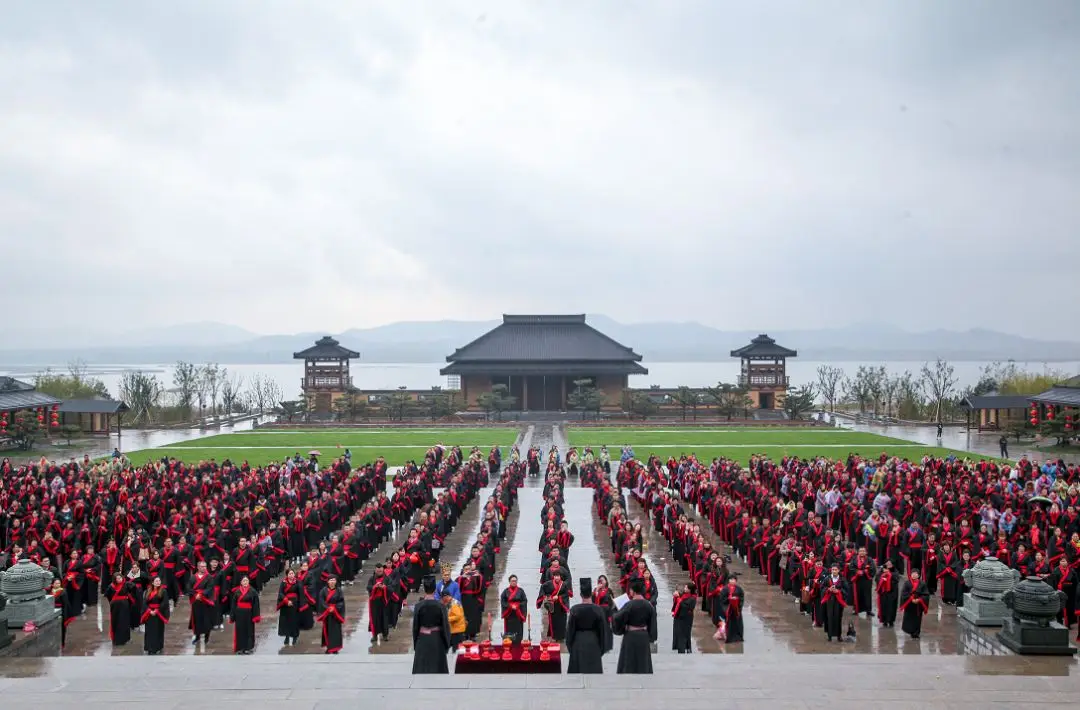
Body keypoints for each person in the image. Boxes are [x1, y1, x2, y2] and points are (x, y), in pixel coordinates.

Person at [566, 578, 611, 673]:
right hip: (593, 643)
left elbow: (569, 631)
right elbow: (603, 631)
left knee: (577, 673)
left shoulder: (575, 609)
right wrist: (601, 649)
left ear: (581, 595)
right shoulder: (598, 610)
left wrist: (571, 648)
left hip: (578, 643)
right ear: (591, 594)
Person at [612, 578, 657, 674]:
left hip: (630, 637)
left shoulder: (629, 605)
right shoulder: (649, 605)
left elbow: (617, 618)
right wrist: (650, 636)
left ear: (633, 591)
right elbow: (652, 624)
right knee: (643, 663)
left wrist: (614, 610)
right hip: (644, 637)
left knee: (629, 663)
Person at [412, 575, 451, 674]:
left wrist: (416, 643)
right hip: (437, 639)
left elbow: (415, 627)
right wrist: (446, 643)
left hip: (422, 639)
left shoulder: (418, 606)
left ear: (424, 589)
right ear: (435, 589)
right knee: (437, 668)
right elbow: (445, 626)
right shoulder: (441, 606)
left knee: (422, 668)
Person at [537, 569, 572, 641]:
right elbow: (543, 588)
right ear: (553, 576)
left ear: (560, 577)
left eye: (558, 576)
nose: (557, 577)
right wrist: (548, 597)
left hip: (561, 607)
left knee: (562, 622)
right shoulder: (548, 584)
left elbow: (566, 594)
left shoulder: (564, 585)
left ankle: (561, 637)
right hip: (552, 606)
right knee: (553, 621)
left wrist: (559, 597)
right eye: (555, 576)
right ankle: (554, 636)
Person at [231, 575, 261, 655]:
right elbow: (233, 604)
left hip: (249, 613)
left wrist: (256, 616)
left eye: (246, 581)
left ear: (249, 582)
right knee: (240, 630)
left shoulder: (253, 591)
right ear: (241, 582)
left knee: (249, 630)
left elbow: (256, 605)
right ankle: (240, 648)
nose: (245, 582)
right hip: (239, 614)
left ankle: (248, 648)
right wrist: (232, 616)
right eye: (243, 581)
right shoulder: (237, 592)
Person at [141, 576, 170, 655]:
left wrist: (157, 610)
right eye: (156, 581)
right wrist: (149, 611)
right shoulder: (147, 591)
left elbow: (165, 603)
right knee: (149, 631)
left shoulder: (163, 591)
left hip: (158, 614)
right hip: (149, 613)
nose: (158, 582)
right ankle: (149, 647)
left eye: (159, 581)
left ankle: (157, 647)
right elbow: (144, 603)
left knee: (158, 631)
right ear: (153, 582)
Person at [317, 575, 346, 654]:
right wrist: (327, 608)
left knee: (335, 631)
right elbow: (321, 601)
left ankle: (335, 648)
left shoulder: (339, 590)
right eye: (331, 580)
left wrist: (335, 608)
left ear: (336, 581)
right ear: (328, 581)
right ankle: (328, 647)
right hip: (327, 613)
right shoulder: (323, 591)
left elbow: (341, 602)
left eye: (334, 580)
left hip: (335, 614)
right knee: (327, 630)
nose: (332, 582)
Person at [899, 569, 930, 640]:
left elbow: (926, 594)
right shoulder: (907, 583)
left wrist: (919, 599)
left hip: (918, 605)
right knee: (909, 618)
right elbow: (904, 593)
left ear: (918, 575)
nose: (914, 575)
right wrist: (911, 599)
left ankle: (916, 634)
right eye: (913, 573)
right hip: (909, 604)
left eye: (916, 574)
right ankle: (910, 631)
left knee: (917, 620)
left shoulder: (922, 584)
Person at [821, 563, 849, 642]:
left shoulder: (842, 579)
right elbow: (822, 588)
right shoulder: (827, 579)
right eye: (833, 569)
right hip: (829, 600)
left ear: (838, 570)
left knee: (838, 617)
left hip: (838, 601)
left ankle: (839, 635)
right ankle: (829, 635)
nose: (834, 571)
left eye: (835, 570)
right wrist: (828, 589)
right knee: (829, 617)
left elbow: (846, 590)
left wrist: (838, 591)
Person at [716, 574, 745, 643]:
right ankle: (730, 637)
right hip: (728, 609)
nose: (732, 581)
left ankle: (738, 637)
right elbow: (722, 599)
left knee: (738, 623)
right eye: (731, 579)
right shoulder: (725, 589)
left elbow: (742, 598)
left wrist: (738, 602)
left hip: (736, 609)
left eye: (734, 579)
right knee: (730, 624)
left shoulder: (739, 589)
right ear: (728, 580)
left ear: (736, 580)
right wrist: (729, 599)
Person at [277, 568, 301, 646]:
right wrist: (286, 601)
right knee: (286, 621)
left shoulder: (297, 582)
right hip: (285, 604)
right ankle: (287, 637)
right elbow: (280, 593)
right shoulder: (283, 582)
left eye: (292, 573)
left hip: (295, 604)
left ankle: (294, 637)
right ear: (287, 575)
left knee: (294, 621)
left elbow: (300, 593)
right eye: (289, 574)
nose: (291, 575)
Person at [500, 574, 528, 640]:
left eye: (515, 581)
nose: (514, 582)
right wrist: (510, 606)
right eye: (512, 581)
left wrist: (517, 605)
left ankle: (518, 641)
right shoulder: (505, 591)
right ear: (509, 582)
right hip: (509, 614)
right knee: (509, 632)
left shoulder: (521, 591)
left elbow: (524, 601)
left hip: (518, 613)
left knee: (518, 631)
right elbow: (503, 602)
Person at [671, 582, 696, 653]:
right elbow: (677, 601)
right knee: (679, 634)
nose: (684, 588)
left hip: (686, 619)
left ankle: (684, 649)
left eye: (686, 587)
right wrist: (676, 596)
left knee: (685, 634)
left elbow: (686, 607)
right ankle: (681, 648)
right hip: (679, 617)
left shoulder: (693, 598)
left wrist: (679, 599)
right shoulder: (684, 595)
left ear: (690, 590)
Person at [875, 561, 899, 628]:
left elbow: (896, 580)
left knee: (892, 607)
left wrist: (889, 577)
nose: (888, 565)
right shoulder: (882, 570)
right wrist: (882, 579)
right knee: (884, 606)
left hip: (892, 592)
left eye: (890, 564)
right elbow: (877, 578)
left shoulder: (895, 571)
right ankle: (884, 621)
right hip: (883, 592)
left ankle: (891, 621)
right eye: (887, 563)